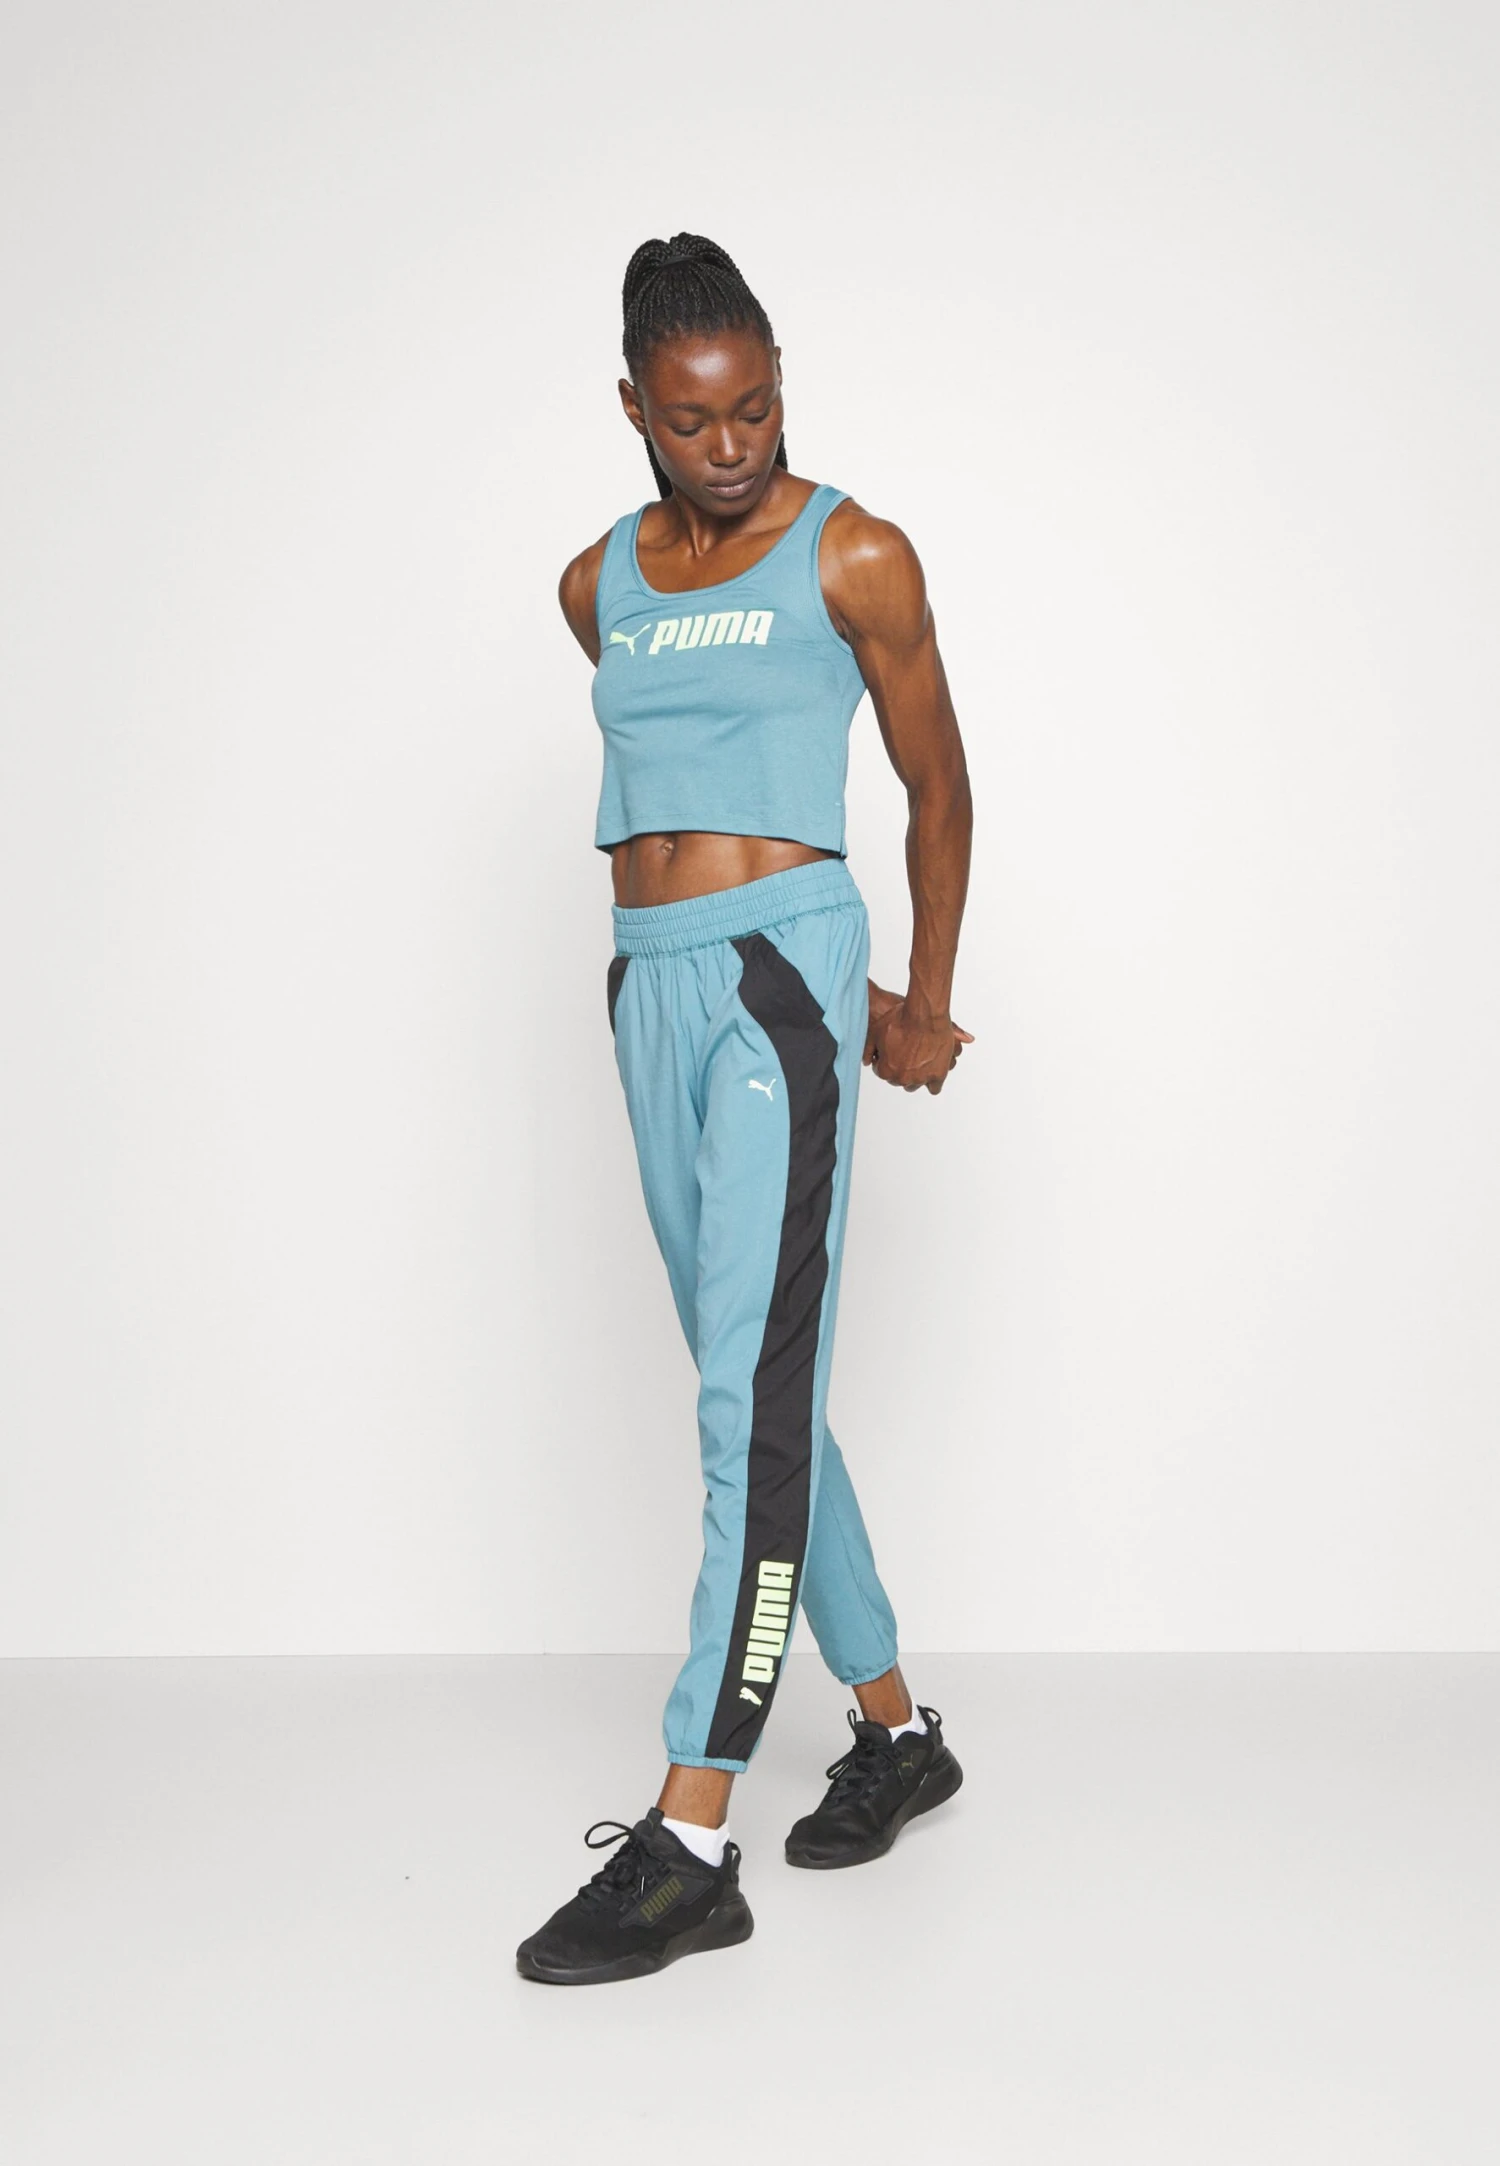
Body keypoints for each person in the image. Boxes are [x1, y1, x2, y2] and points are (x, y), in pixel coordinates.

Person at [516, 233, 974, 1986]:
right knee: (761, 1379)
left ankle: (692, 1831)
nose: (733, 445)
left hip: (784, 977)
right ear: (636, 407)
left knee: (742, 1402)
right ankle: (898, 1731)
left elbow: (938, 787)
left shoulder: (853, 551)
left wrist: (917, 997)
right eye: (696, 418)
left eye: (759, 407)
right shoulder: (596, 584)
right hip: (648, 984)